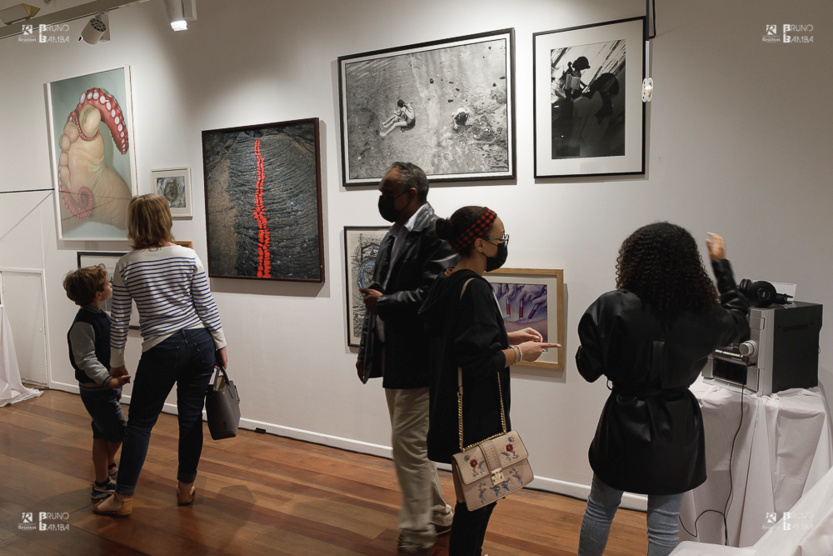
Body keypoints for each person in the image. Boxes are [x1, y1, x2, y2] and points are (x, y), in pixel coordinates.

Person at [575, 223, 750, 556]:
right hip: (677, 423)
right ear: (689, 265)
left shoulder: (611, 306)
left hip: (622, 419)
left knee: (600, 507)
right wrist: (721, 266)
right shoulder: (705, 314)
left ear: (632, 261)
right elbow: (740, 318)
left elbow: (587, 369)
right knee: (665, 523)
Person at [419, 206, 558, 555]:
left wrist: (506, 336)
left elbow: (456, 342)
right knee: (480, 499)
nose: (503, 244)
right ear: (480, 244)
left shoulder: (447, 280)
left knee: (471, 495)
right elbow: (478, 361)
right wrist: (521, 353)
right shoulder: (476, 289)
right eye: (500, 239)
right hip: (475, 417)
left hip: (450, 409)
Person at [93, 193, 228, 517]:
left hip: (161, 348)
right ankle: (185, 489)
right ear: (166, 219)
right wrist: (221, 344)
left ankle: (122, 499)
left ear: (134, 223)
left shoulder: (126, 264)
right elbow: (205, 305)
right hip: (199, 343)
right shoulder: (188, 256)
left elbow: (120, 320)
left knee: (140, 424)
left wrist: (116, 362)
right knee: (190, 419)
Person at [355, 162, 456, 553]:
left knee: (408, 445)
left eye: (387, 191)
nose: (382, 199)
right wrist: (369, 353)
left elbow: (436, 296)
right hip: (393, 358)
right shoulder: (396, 233)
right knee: (413, 444)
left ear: (411, 194)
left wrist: (388, 303)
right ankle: (438, 513)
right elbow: (377, 295)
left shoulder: (436, 234)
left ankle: (417, 531)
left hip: (419, 360)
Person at [63, 264, 130, 501]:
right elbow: (86, 360)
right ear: (98, 294)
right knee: (120, 432)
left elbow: (106, 353)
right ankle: (102, 479)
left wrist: (115, 381)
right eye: (107, 283)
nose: (111, 284)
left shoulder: (100, 316)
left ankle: (106, 470)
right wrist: (109, 381)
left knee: (101, 432)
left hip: (103, 389)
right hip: (96, 390)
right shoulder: (83, 323)